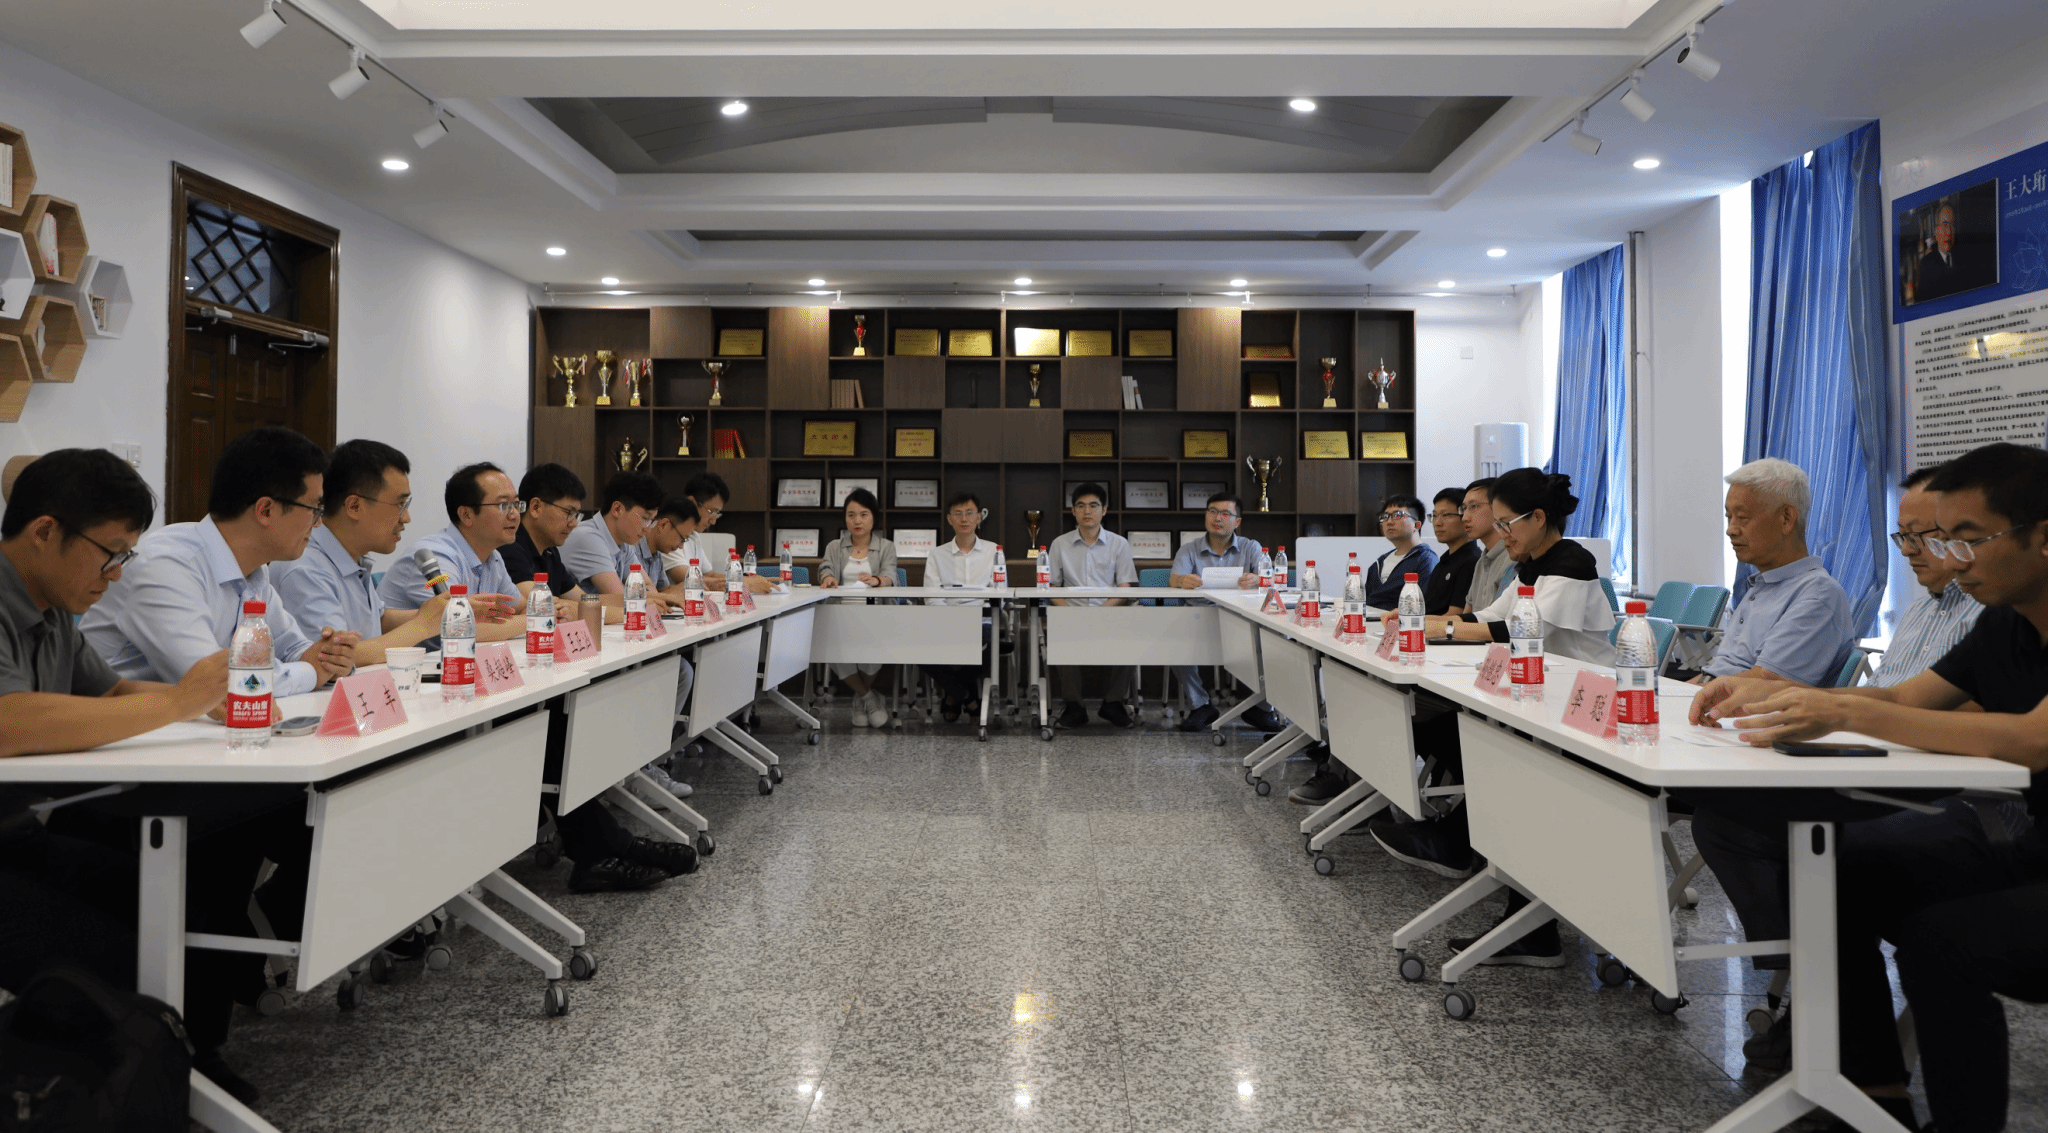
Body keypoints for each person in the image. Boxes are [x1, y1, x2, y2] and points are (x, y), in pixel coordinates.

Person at [1692, 442, 2048, 1133]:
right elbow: (1910, 699)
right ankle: (1868, 1089)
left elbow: (2036, 739)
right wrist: (1777, 692)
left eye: (1971, 539)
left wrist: (1842, 711)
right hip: (2030, 845)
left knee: (1941, 941)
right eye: (1942, 540)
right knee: (1838, 867)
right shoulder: (2007, 623)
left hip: (2016, 835)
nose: (1953, 559)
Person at [0, 450, 237, 1084]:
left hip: (18, 836)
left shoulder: (55, 609)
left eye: (126, 556)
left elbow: (108, 693)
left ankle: (188, 1067)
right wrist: (179, 702)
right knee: (112, 946)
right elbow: (9, 723)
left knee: (180, 901)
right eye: (110, 554)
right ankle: (120, 1083)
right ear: (45, 531)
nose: (116, 574)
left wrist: (206, 704)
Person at [1364, 470, 1614, 968]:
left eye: (1506, 524)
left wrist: (1437, 628)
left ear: (1538, 518)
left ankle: (1475, 859)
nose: (1501, 534)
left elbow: (1517, 630)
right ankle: (1468, 849)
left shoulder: (1571, 561)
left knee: (1503, 760)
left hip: (1582, 708)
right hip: (1538, 698)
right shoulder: (1530, 565)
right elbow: (1487, 616)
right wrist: (1424, 621)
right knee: (1465, 736)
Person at [82, 426, 357, 697]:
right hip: (112, 721)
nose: (318, 523)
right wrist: (312, 672)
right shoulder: (166, 567)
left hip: (186, 722)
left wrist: (330, 657)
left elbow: (293, 648)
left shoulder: (253, 569)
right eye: (313, 509)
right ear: (265, 510)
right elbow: (220, 684)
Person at [271, 440, 460, 665]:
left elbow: (379, 620)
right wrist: (422, 625)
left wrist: (447, 614)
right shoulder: (304, 567)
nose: (406, 518)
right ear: (354, 506)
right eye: (400, 505)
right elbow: (335, 658)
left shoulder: (351, 554)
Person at [1700, 458, 1855, 685]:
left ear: (1786, 518)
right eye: (1729, 517)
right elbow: (1719, 671)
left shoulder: (1818, 595)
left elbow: (1765, 683)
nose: (1731, 530)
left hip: (1745, 705)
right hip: (1716, 696)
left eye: (1742, 517)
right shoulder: (1762, 586)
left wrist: (1691, 693)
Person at [1167, 492, 1284, 735]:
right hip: (1198, 616)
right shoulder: (1189, 549)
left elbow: (1271, 580)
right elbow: (1174, 578)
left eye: (1225, 513)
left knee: (1277, 640)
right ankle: (1200, 706)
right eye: (1212, 511)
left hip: (1242, 617)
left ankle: (1262, 707)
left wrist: (1257, 579)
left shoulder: (1251, 547)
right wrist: (1182, 581)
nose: (1217, 518)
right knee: (1173, 638)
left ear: (1237, 521)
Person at [373, 462, 525, 646]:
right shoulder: (434, 555)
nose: (514, 514)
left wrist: (531, 615)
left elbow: (520, 608)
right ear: (466, 515)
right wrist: (533, 621)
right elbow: (459, 626)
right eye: (503, 505)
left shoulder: (492, 557)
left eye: (516, 504)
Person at [1045, 482, 1138, 729]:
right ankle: (1074, 706)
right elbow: (1051, 587)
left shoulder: (1119, 544)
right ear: (1073, 511)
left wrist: (1102, 612)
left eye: (1094, 506)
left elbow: (1126, 587)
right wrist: (1069, 612)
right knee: (1060, 631)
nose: (1087, 511)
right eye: (1081, 506)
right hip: (1070, 614)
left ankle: (1114, 703)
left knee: (1131, 634)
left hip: (1109, 612)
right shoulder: (1059, 544)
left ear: (1104, 510)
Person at [817, 488, 897, 728]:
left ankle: (860, 697)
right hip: (840, 613)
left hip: (875, 614)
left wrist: (877, 580)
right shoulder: (834, 546)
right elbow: (825, 568)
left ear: (873, 517)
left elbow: (891, 575)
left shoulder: (886, 547)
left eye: (863, 514)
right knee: (833, 647)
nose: (857, 521)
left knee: (874, 650)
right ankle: (869, 698)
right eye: (851, 515)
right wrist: (828, 578)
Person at [923, 490, 1000, 722]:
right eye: (958, 513)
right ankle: (968, 697)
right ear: (949, 519)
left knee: (993, 643)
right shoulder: (937, 555)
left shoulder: (994, 551)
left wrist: (977, 614)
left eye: (969, 513)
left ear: (979, 517)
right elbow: (932, 596)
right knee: (916, 647)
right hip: (945, 620)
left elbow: (1000, 593)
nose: (964, 519)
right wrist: (950, 620)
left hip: (982, 620)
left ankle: (953, 696)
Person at [664, 472, 774, 593]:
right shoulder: (670, 535)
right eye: (711, 512)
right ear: (692, 502)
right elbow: (688, 579)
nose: (713, 521)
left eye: (717, 514)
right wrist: (741, 583)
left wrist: (747, 580)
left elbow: (710, 575)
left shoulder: (694, 536)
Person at [498, 462, 590, 604]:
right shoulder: (509, 547)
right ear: (535, 507)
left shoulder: (550, 552)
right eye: (569, 512)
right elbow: (543, 606)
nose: (574, 523)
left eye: (576, 515)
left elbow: (584, 601)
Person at [1362, 495, 1438, 610]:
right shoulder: (1379, 563)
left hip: (1400, 620)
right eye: (1385, 517)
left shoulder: (1426, 559)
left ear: (1416, 525)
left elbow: (1425, 606)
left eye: (1397, 515)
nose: (1389, 522)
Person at [1456, 477, 1512, 615]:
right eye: (1464, 508)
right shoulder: (1482, 561)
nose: (1465, 517)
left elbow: (1498, 621)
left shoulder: (1513, 558)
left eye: (1474, 506)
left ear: (1498, 507)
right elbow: (1466, 617)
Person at [1422, 487, 1479, 615]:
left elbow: (1455, 615)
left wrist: (1416, 622)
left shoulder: (1471, 562)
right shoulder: (1444, 561)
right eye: (1434, 515)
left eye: (1446, 515)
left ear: (1465, 516)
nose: (1437, 523)